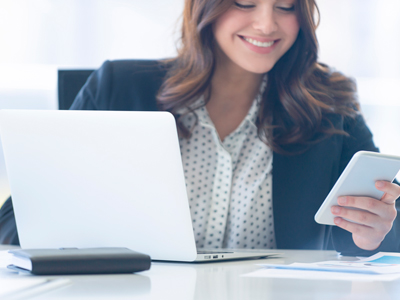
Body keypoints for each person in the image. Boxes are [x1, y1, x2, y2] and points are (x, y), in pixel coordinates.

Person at [1, 0, 399, 255]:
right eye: (246, 2)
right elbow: (11, 231)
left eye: (285, 5)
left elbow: (384, 224)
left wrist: (376, 234)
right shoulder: (118, 88)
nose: (266, 23)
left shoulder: (328, 104)